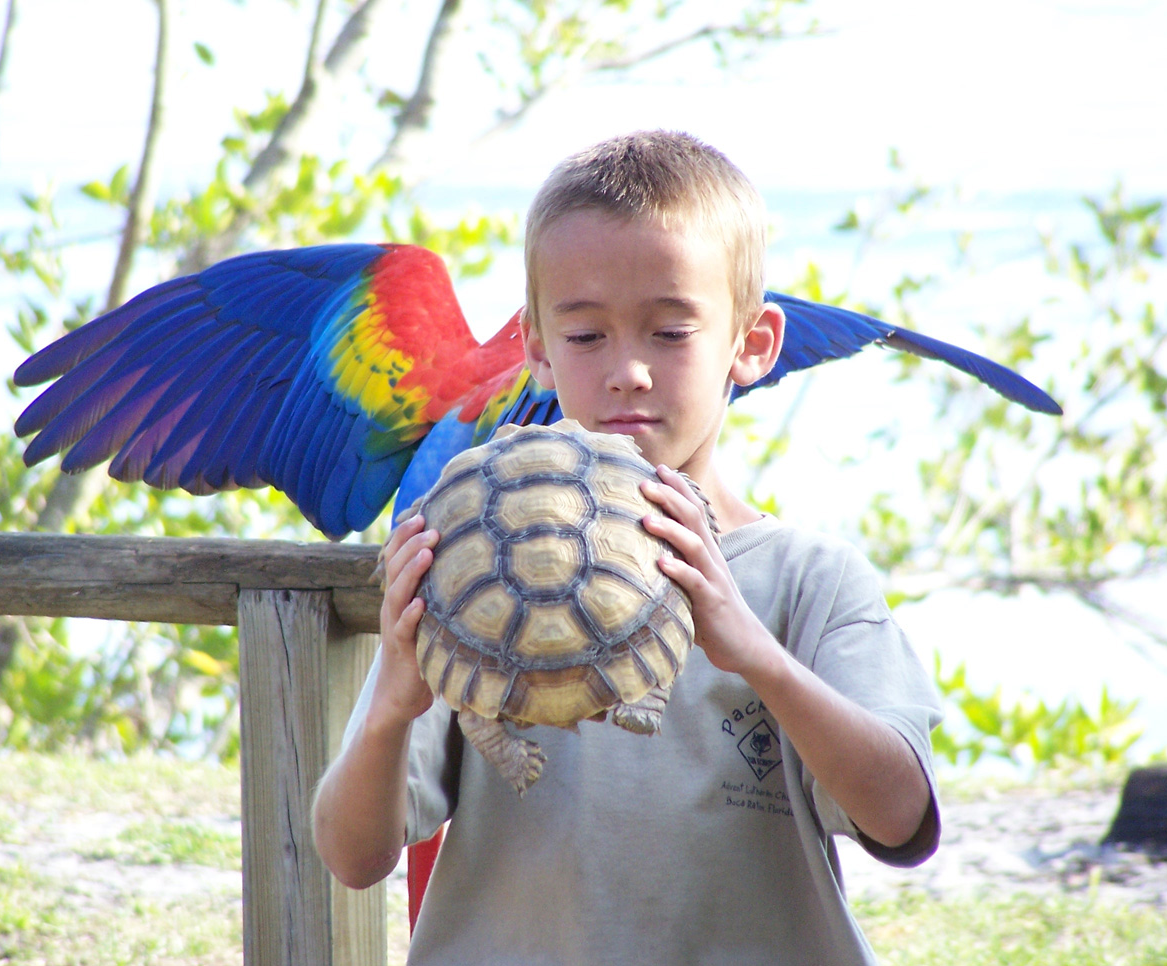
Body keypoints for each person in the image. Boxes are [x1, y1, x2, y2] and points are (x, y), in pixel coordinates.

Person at [312, 130, 942, 965]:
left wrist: (757, 654)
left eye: (671, 332)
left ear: (752, 345)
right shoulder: (462, 559)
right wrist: (394, 699)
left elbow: (899, 818)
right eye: (585, 336)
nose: (628, 372)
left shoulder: (808, 581)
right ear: (536, 348)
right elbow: (354, 856)